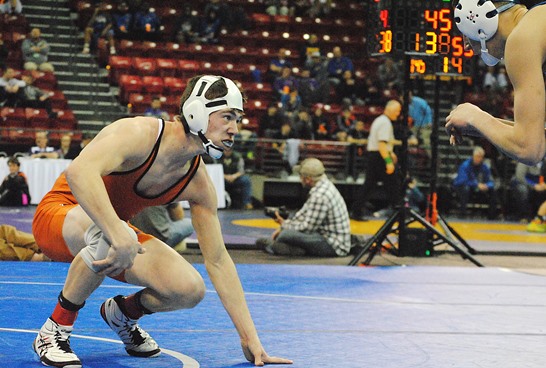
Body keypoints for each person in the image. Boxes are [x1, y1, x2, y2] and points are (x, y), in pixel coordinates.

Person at [31, 75, 292, 367]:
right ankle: (55, 329)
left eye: (238, 120)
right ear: (196, 111)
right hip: (59, 216)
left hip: (113, 239)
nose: (235, 129)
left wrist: (250, 339)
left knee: (189, 289)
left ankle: (123, 313)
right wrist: (117, 230)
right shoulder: (140, 132)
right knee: (112, 235)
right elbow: (79, 172)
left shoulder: (197, 182)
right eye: (228, 117)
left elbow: (218, 261)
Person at [446, 0, 546, 166]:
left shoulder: (521, 40)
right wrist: (479, 125)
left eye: (465, 33)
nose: (465, 45)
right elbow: (538, 140)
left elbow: (529, 149)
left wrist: (474, 116)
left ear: (478, 16)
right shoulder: (537, 25)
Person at [256, 157, 350, 257]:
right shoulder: (323, 185)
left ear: (308, 179)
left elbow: (307, 228)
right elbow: (302, 215)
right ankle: (297, 250)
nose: (300, 179)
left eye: (300, 176)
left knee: (285, 236)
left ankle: (274, 247)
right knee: (286, 233)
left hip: (334, 246)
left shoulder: (320, 196)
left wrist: (284, 225)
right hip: (328, 237)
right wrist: (284, 226)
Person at [350, 100, 402, 220]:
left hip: (375, 155)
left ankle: (356, 210)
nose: (398, 114)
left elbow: (383, 143)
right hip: (379, 157)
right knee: (393, 185)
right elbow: (381, 144)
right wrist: (389, 162)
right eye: (397, 110)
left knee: (369, 185)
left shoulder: (380, 120)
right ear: (390, 109)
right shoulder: (385, 123)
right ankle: (398, 212)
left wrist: (391, 153)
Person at [452, 146, 499, 219]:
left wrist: (487, 185)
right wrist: (476, 184)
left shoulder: (485, 167)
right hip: (467, 188)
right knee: (465, 189)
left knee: (493, 190)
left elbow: (491, 181)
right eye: (477, 156)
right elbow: (462, 181)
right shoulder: (465, 165)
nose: (478, 159)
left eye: (480, 157)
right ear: (473, 156)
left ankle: (492, 216)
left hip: (480, 189)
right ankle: (462, 214)